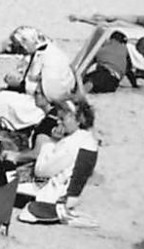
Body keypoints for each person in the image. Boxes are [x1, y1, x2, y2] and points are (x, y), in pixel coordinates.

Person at [15, 95, 98, 224]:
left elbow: (41, 170)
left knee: (5, 185)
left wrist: (51, 142)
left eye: (62, 119)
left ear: (76, 119)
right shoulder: (87, 139)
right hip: (71, 193)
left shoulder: (70, 143)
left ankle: (56, 212)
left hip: (56, 194)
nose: (58, 122)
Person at [0, 26, 73, 133]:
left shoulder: (48, 58)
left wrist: (20, 84)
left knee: (2, 99)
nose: (21, 49)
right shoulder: (46, 51)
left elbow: (49, 88)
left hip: (46, 101)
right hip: (46, 95)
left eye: (21, 46)